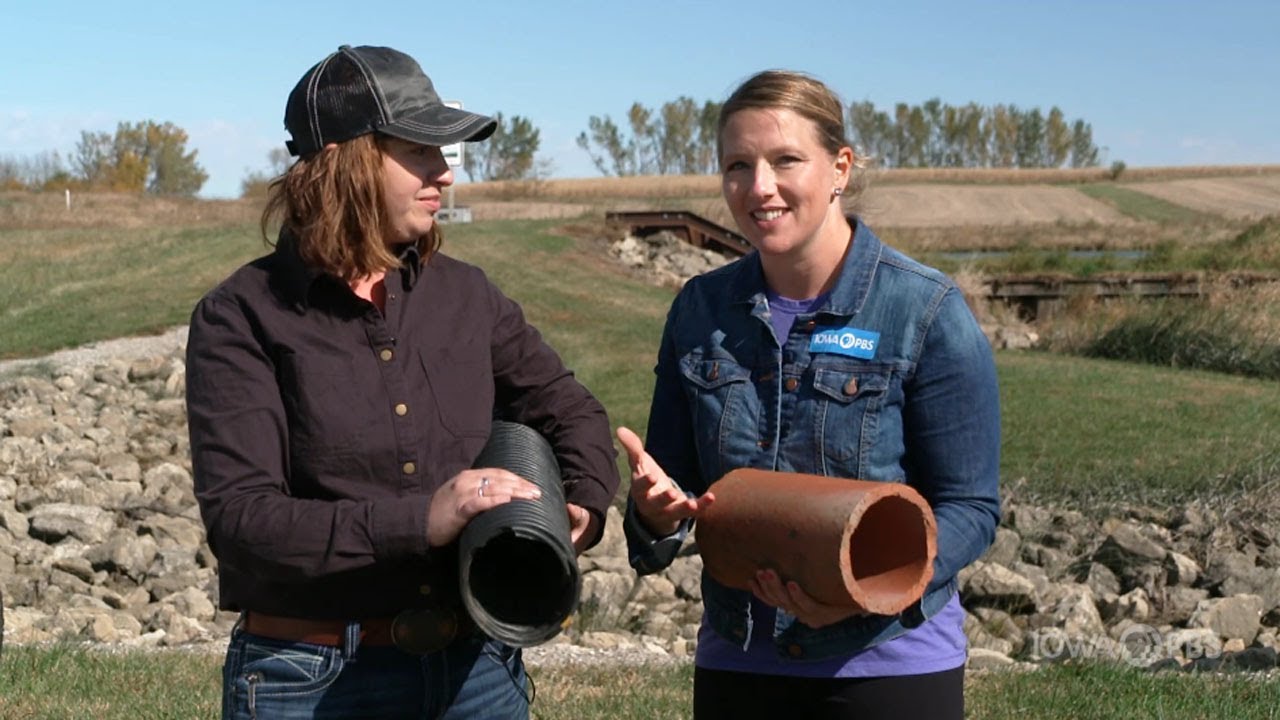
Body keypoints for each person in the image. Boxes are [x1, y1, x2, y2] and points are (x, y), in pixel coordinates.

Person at [185, 44, 620, 720]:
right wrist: (422, 520)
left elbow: (570, 410)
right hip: (305, 679)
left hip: (476, 672)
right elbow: (244, 521)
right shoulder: (240, 316)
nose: (444, 174)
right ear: (348, 160)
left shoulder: (468, 297)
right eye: (420, 151)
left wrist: (579, 509)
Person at [618, 69, 1001, 719]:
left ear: (840, 168)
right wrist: (656, 514)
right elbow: (670, 499)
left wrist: (865, 588)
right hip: (739, 662)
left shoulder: (924, 309)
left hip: (887, 663)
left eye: (785, 160)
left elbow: (970, 507)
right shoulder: (700, 310)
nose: (758, 187)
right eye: (737, 165)